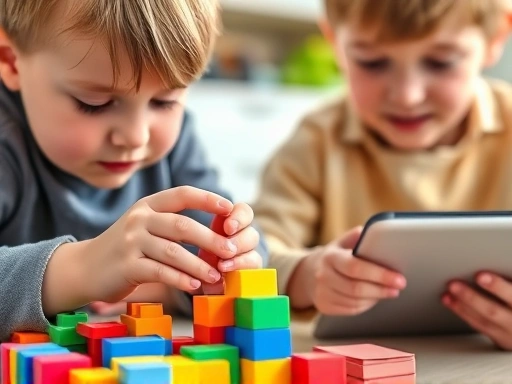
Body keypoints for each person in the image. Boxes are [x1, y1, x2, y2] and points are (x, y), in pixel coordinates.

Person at [0, 0, 267, 342]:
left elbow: (247, 250)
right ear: (11, 62)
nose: (136, 136)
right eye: (94, 103)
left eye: (165, 102)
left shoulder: (175, 143)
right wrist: (82, 269)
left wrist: (225, 263)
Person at [252, 0, 512, 350]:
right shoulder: (317, 140)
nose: (407, 96)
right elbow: (255, 253)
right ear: (334, 43)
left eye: (440, 62)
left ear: (496, 37)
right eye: (372, 63)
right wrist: (308, 276)